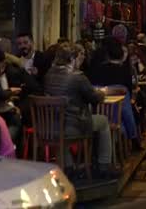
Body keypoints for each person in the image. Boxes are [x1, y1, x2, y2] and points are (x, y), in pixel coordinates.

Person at [43, 44, 119, 179]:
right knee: (103, 121)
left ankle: (69, 167)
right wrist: (102, 92)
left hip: (49, 127)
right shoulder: (77, 77)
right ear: (72, 59)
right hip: (73, 127)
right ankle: (104, 165)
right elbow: (95, 98)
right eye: (78, 58)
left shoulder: (48, 74)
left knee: (62, 127)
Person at [88, 38, 141, 150]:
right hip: (115, 119)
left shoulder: (96, 69)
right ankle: (133, 138)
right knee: (126, 112)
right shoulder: (123, 72)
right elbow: (127, 112)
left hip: (96, 115)